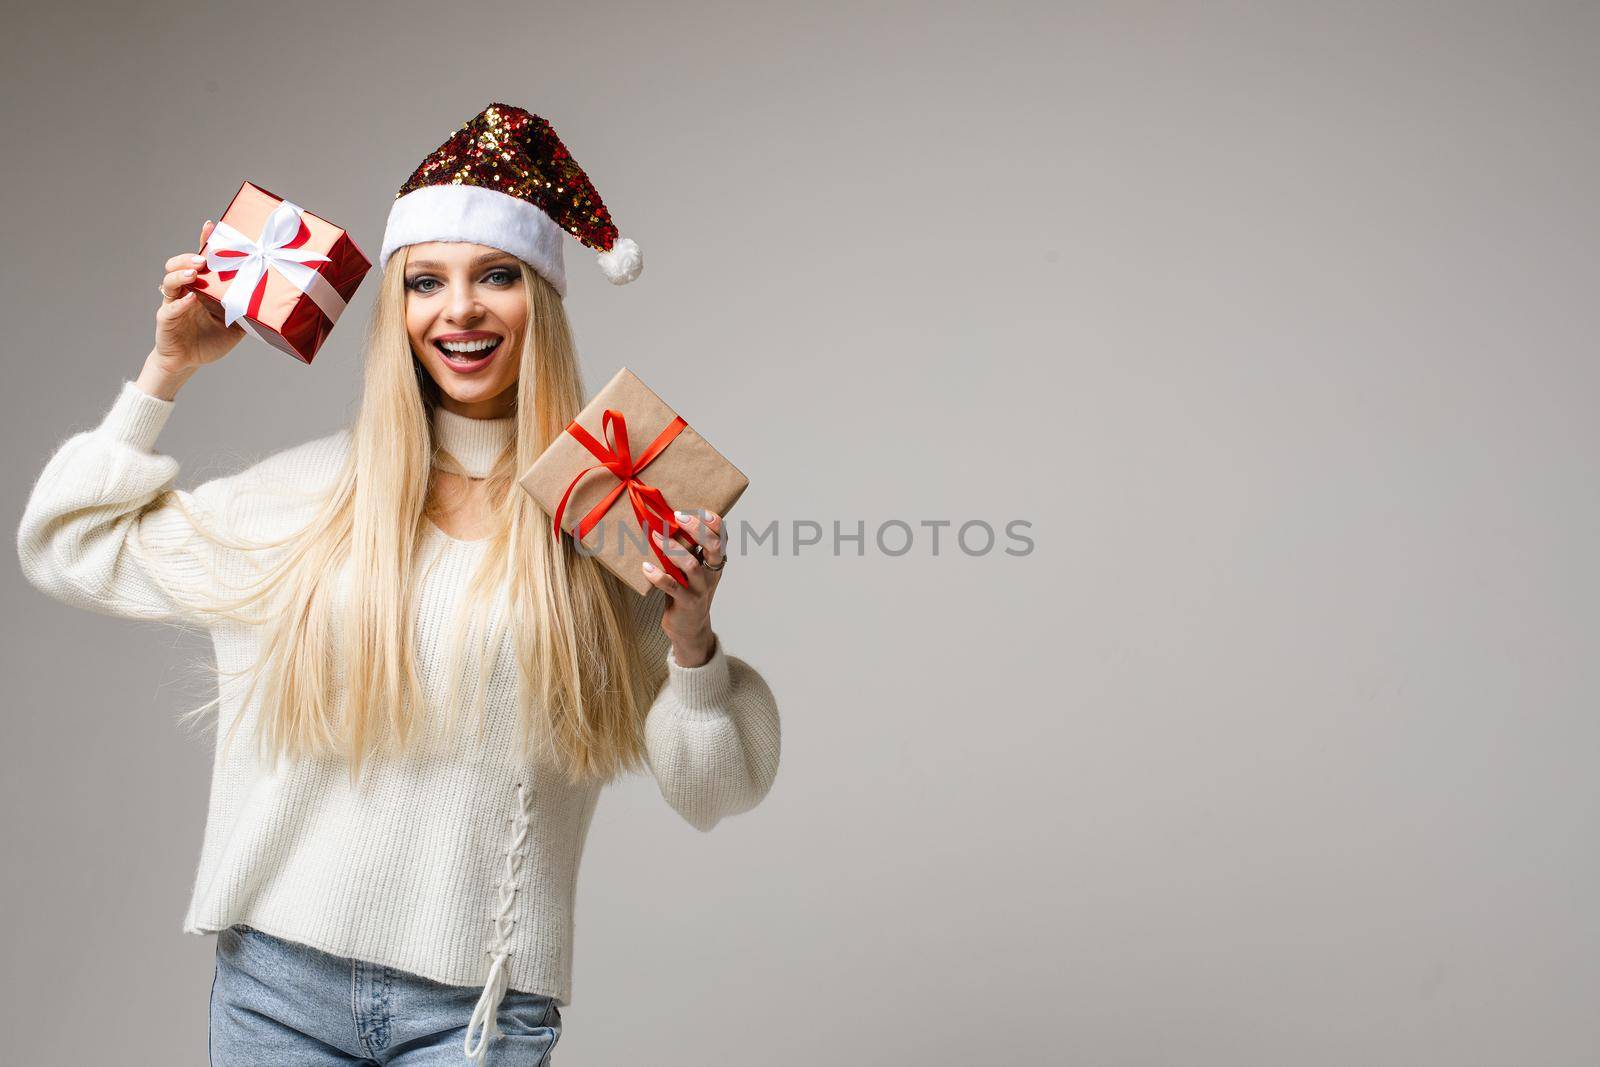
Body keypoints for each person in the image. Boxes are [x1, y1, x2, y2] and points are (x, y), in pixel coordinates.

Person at [15, 103, 781, 1066]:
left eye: (495, 275)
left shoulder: (606, 516)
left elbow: (718, 789)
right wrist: (165, 368)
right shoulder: (307, 500)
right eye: (426, 282)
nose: (458, 309)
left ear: (538, 300)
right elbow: (64, 546)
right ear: (398, 312)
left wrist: (693, 639)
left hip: (481, 1013)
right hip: (275, 995)